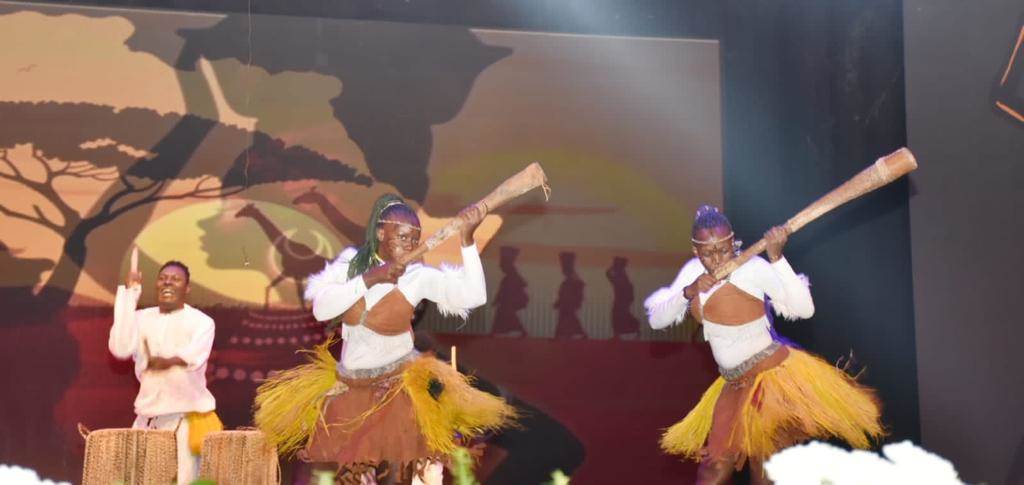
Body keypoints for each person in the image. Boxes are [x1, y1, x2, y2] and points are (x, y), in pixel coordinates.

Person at [255, 194, 517, 484]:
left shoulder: (417, 276)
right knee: (353, 475)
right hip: (351, 389)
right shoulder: (350, 264)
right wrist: (371, 278)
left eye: (414, 238)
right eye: (402, 236)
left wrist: (467, 241)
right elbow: (321, 309)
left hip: (398, 390)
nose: (410, 244)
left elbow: (473, 296)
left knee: (414, 473)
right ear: (381, 233)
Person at [645, 205, 883, 484]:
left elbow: (804, 310)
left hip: (769, 378)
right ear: (695, 250)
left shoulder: (753, 267)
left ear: (733, 241)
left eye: (724, 249)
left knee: (764, 474)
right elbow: (657, 321)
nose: (717, 258)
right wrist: (689, 291)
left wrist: (777, 258)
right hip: (733, 383)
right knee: (713, 472)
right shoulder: (692, 273)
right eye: (708, 253)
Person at [108, 258, 222, 485]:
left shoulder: (201, 322)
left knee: (185, 481)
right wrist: (130, 296)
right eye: (163, 278)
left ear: (187, 288)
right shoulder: (141, 318)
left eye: (175, 279)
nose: (168, 282)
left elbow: (193, 357)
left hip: (185, 419)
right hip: (148, 418)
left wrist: (168, 361)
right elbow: (120, 348)